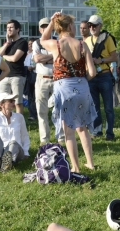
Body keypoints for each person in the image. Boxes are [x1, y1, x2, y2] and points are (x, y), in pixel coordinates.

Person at [40, 13, 97, 172]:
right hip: (82, 86)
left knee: (69, 131)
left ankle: (76, 167)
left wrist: (50, 23)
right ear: (70, 26)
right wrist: (81, 80)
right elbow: (92, 72)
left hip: (64, 88)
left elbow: (42, 40)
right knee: (82, 128)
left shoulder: (55, 44)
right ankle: (90, 163)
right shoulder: (82, 44)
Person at [85, 15, 117, 141]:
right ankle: (96, 131)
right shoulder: (87, 40)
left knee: (108, 107)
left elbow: (114, 57)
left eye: (94, 25)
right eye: (90, 25)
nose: (92, 28)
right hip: (92, 77)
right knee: (94, 106)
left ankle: (109, 133)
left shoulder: (107, 38)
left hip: (104, 75)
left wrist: (101, 60)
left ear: (100, 26)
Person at [32, 18, 64, 145]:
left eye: (48, 26)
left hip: (57, 79)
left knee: (59, 109)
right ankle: (44, 139)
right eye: (43, 27)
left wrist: (46, 58)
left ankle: (61, 137)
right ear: (40, 29)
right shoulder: (37, 43)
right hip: (41, 79)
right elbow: (37, 59)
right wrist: (53, 56)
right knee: (41, 110)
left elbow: (61, 59)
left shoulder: (58, 41)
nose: (46, 29)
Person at [0, 20, 28, 114]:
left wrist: (4, 56)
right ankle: (3, 121)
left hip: (17, 76)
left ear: (17, 29)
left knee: (18, 102)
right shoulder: (7, 43)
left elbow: (15, 58)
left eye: (11, 27)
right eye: (7, 28)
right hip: (4, 75)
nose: (8, 30)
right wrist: (7, 44)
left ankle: (19, 123)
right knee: (1, 102)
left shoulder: (22, 42)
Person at [24, 38, 37, 121]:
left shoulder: (38, 53)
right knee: (30, 96)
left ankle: (37, 113)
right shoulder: (27, 55)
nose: (30, 46)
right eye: (29, 44)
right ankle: (32, 114)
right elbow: (24, 64)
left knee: (36, 96)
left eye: (32, 44)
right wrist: (27, 68)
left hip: (36, 74)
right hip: (29, 75)